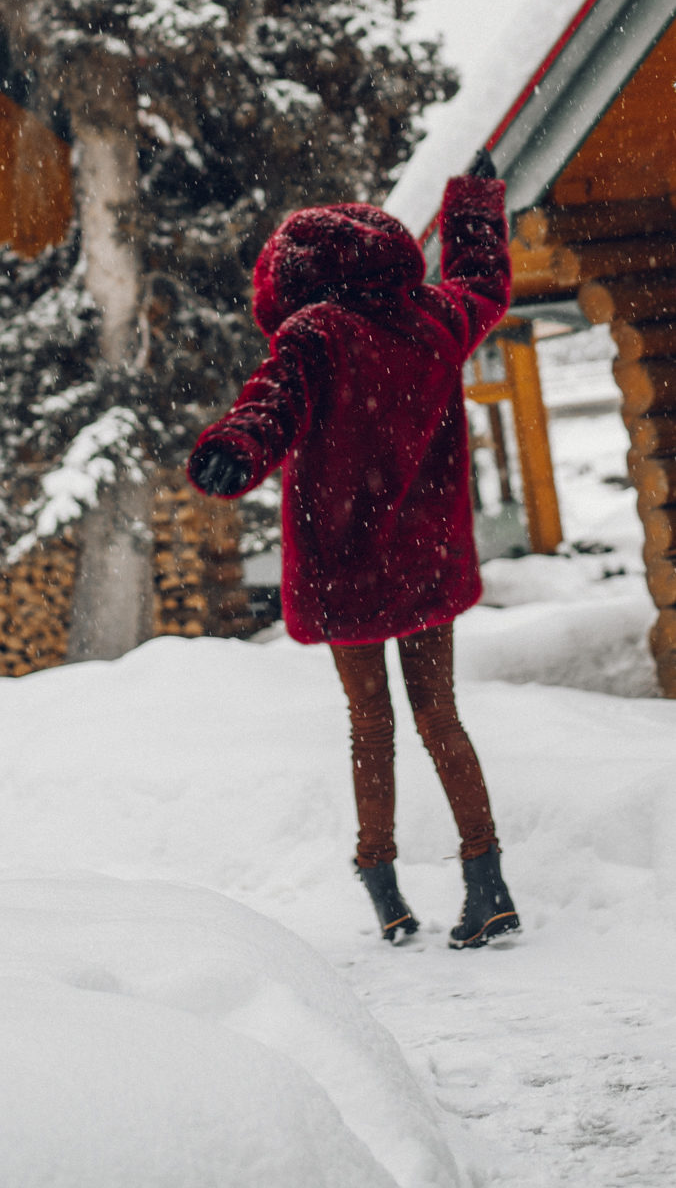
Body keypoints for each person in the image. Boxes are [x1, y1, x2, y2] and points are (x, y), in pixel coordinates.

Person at [187, 155, 520, 951]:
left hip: (347, 566)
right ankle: (489, 881)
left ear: (294, 277)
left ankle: (383, 883)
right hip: (426, 557)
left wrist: (235, 446)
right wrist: (472, 201)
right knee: (440, 714)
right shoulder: (436, 314)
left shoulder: (318, 331)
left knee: (370, 722)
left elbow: (271, 400)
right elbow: (483, 280)